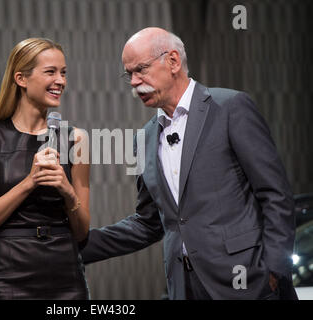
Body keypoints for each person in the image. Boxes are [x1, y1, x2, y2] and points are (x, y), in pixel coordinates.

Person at [80, 27, 297, 300]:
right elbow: (149, 223)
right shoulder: (143, 139)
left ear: (173, 61)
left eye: (141, 69)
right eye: (129, 74)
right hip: (184, 288)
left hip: (248, 283)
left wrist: (275, 270)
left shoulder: (230, 107)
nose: (134, 82)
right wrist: (73, 247)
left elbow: (275, 194)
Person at [0, 38, 90, 299]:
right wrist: (29, 183)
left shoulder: (76, 139)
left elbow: (81, 231)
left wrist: (67, 192)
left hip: (64, 273)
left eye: (63, 73)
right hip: (9, 273)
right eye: (50, 72)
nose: (61, 81)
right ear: (21, 78)